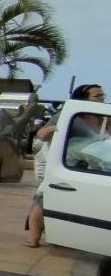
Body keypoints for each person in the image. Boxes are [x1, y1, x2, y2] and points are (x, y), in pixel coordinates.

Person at [26, 83, 104, 246]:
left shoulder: (101, 118)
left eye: (103, 95)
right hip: (57, 161)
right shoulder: (70, 115)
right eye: (97, 96)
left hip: (80, 163)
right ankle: (33, 237)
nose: (102, 98)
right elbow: (41, 134)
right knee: (44, 196)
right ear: (84, 98)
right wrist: (53, 130)